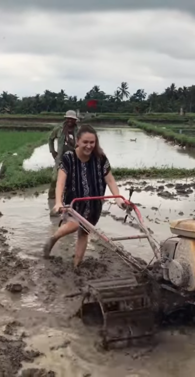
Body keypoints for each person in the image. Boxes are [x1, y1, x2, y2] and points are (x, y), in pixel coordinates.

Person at [43, 124, 125, 268]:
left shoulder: (100, 158)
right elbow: (60, 183)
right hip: (73, 203)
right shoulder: (69, 158)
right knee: (74, 224)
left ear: (96, 142)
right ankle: (53, 238)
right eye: (85, 142)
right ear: (78, 141)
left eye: (92, 142)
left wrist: (117, 197)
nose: (89, 146)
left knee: (84, 233)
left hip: (94, 204)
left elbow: (110, 180)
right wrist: (58, 202)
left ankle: (76, 266)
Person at [47, 110, 79, 200]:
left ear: (75, 120)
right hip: (61, 157)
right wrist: (52, 151)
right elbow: (50, 139)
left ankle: (69, 198)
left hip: (74, 158)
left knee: (73, 179)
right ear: (66, 119)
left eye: (72, 119)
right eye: (68, 119)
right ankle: (51, 198)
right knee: (54, 178)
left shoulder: (78, 130)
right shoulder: (59, 129)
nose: (70, 121)